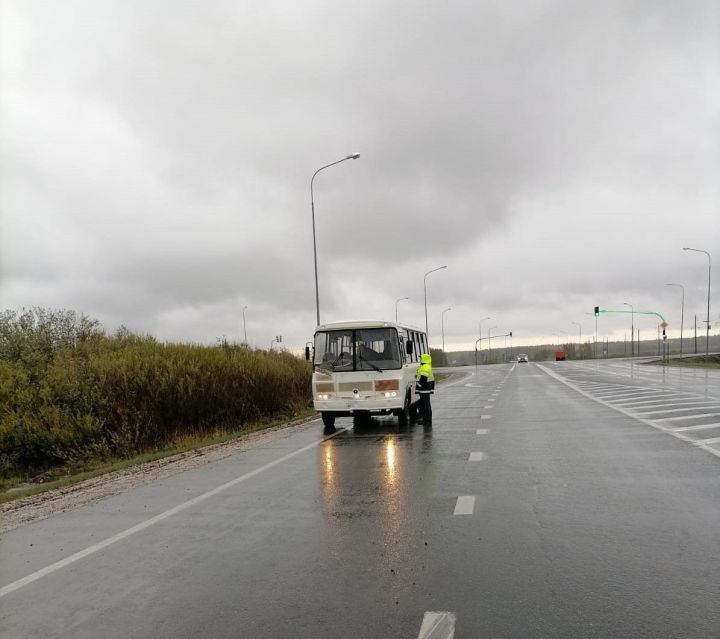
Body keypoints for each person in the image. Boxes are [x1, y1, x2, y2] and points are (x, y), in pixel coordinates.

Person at [415, 353, 435, 426]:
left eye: (421, 358)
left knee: (425, 405)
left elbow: (423, 379)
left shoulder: (425, 367)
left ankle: (427, 420)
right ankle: (427, 420)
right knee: (426, 405)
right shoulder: (425, 366)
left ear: (424, 359)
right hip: (426, 388)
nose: (420, 359)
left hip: (424, 389)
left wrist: (418, 385)